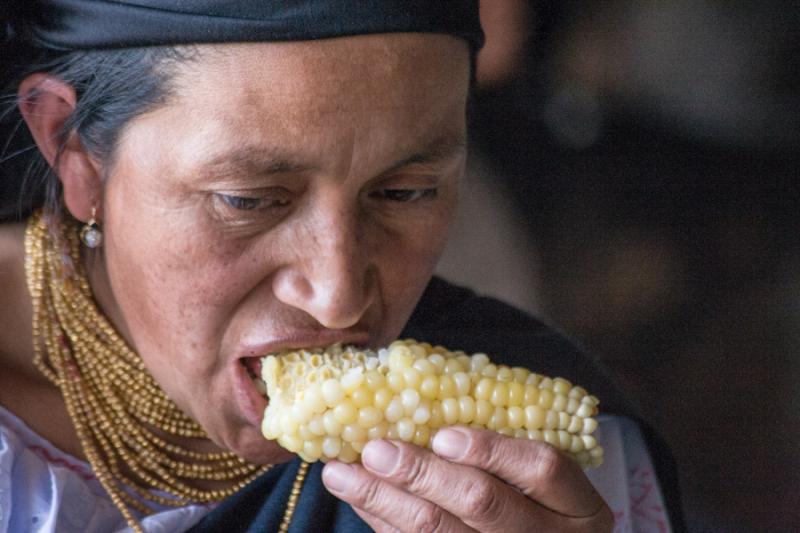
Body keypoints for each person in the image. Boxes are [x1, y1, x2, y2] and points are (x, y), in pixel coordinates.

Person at [0, 2, 684, 532]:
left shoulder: (552, 476)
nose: (338, 296)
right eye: (249, 199)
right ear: (75, 152)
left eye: (406, 192)